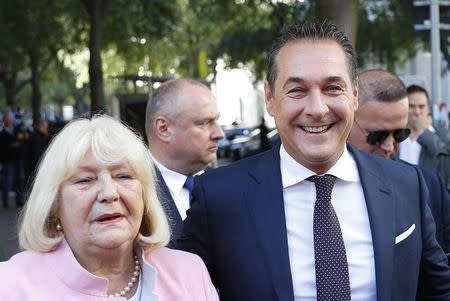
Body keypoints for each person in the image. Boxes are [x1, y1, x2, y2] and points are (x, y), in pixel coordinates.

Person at [178, 21, 450, 301]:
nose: (317, 109)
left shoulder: (406, 185)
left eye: (333, 88)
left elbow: (438, 291)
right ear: (270, 97)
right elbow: (176, 289)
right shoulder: (219, 196)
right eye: (297, 90)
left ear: (354, 95)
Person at [0, 115, 218, 300]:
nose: (109, 193)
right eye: (85, 180)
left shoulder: (189, 272)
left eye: (123, 176)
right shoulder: (10, 286)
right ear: (53, 204)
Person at [347, 69, 450, 254]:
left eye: (399, 135)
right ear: (346, 123)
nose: (389, 146)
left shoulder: (428, 186)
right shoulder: (319, 188)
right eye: (377, 136)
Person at [145, 79, 224, 247]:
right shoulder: (131, 191)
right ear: (163, 129)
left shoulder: (227, 186)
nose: (219, 133)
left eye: (217, 121)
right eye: (204, 123)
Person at [399, 84, 450, 191]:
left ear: (429, 109)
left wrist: (425, 132)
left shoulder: (444, 135)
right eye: (411, 106)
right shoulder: (395, 138)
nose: (417, 112)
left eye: (421, 107)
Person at [0, 109, 27, 208]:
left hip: (18, 158)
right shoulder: (2, 133)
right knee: (8, 180)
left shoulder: (17, 130)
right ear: (5, 121)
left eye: (11, 118)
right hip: (9, 160)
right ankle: (5, 200)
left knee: (20, 179)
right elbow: (3, 147)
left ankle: (19, 200)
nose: (10, 120)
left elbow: (23, 138)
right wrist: (11, 145)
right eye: (8, 118)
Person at [24, 119, 50, 191]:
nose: (46, 129)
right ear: (40, 127)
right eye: (45, 127)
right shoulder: (36, 137)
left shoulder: (38, 136)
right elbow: (37, 154)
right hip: (35, 167)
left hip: (34, 167)